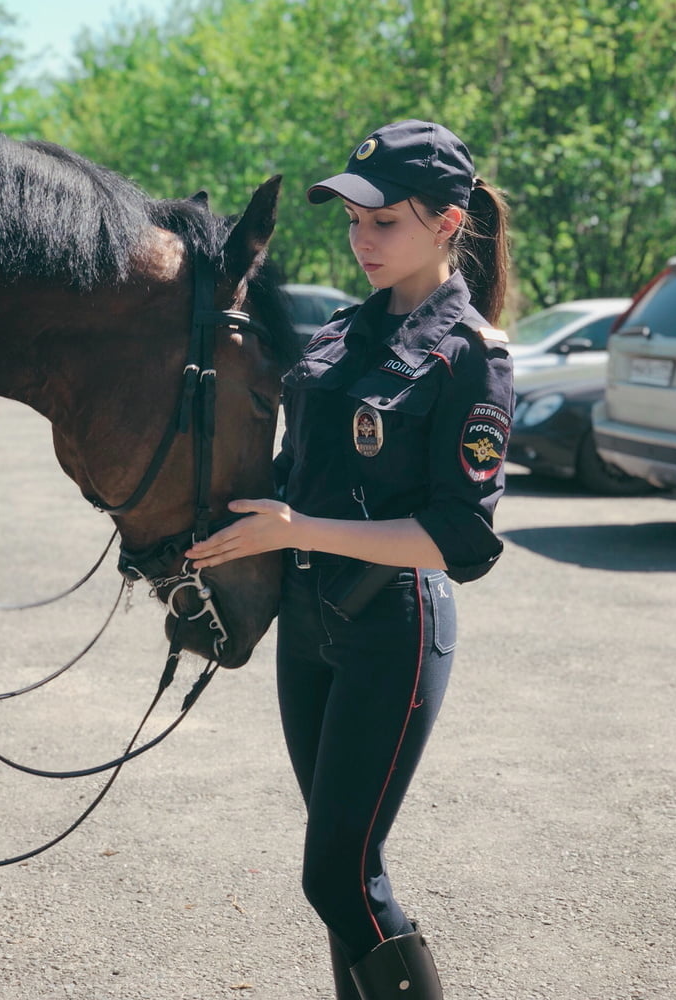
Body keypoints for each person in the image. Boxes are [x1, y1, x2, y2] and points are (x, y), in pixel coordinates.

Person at [186, 119, 514, 1000]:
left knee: (336, 874)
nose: (362, 240)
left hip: (392, 629)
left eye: (385, 222)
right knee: (344, 879)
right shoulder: (334, 335)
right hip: (309, 625)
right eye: (353, 221)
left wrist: (296, 530)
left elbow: (458, 541)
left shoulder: (471, 357)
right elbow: (290, 475)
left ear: (448, 223)